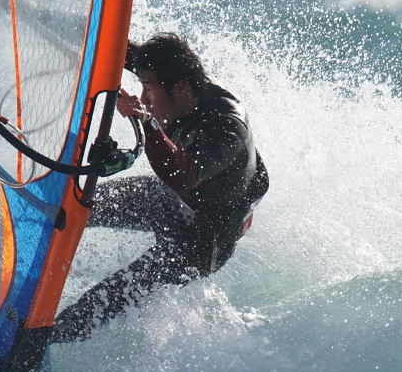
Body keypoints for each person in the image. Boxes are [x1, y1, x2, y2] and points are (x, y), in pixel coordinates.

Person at [52, 33, 269, 343]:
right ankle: (3, 230)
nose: (144, 97)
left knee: (106, 298)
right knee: (76, 203)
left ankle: (33, 347)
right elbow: (110, 44)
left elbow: (183, 175)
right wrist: (42, 18)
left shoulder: (227, 124)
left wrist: (147, 122)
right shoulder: (170, 78)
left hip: (202, 240)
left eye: (149, 88)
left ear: (179, 88)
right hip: (173, 201)